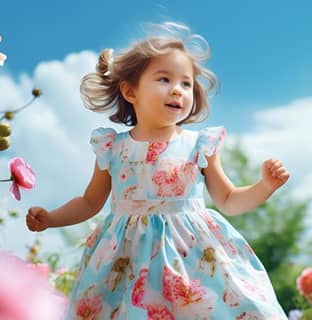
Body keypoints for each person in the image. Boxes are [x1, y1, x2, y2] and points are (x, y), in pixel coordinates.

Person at [26, 22, 290, 319]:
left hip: (193, 261)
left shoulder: (198, 145)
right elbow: (89, 203)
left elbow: (229, 199)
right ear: (130, 91)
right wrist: (51, 218)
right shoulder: (112, 148)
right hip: (125, 261)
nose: (178, 90)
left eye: (186, 83)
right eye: (164, 79)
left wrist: (265, 185)